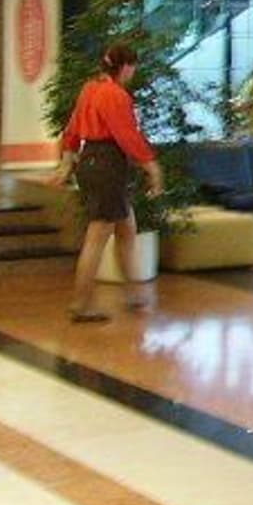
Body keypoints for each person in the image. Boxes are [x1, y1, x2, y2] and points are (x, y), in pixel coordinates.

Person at [52, 42, 164, 322]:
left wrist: (66, 162)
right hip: (107, 165)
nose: (132, 74)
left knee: (126, 227)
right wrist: (152, 167)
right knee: (97, 236)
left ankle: (133, 293)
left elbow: (72, 129)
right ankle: (81, 304)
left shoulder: (89, 89)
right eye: (132, 68)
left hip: (91, 162)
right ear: (125, 67)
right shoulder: (115, 95)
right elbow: (127, 135)